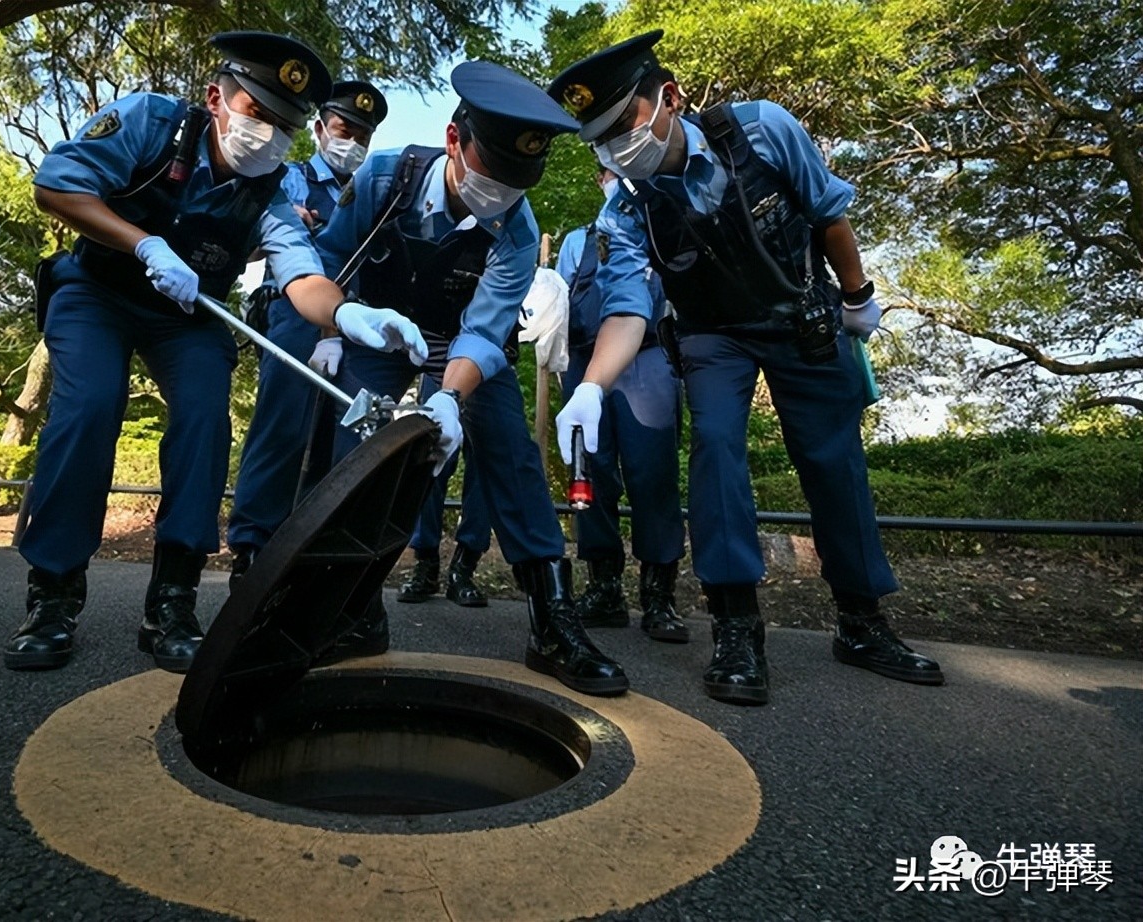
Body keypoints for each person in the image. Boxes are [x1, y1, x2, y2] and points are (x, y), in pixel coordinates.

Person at [5, 32, 428, 673]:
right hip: (97, 293)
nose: (270, 134)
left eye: (286, 125)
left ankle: (172, 599)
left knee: (205, 416)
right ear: (217, 98)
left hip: (186, 313)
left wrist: (346, 313)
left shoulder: (273, 190)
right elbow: (57, 188)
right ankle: (54, 595)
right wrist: (143, 243)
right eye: (258, 113)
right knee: (90, 405)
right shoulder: (152, 122)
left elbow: (301, 275)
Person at [548, 31, 943, 705]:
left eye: (624, 125)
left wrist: (857, 299)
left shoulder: (761, 130)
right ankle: (737, 628)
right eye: (601, 140)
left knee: (832, 459)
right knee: (718, 446)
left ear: (668, 98)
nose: (617, 147)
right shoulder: (627, 207)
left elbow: (828, 214)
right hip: (713, 335)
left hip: (800, 315)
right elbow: (626, 308)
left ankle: (861, 620)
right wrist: (590, 386)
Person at [316, 60, 629, 697]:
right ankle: (350, 606)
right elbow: (326, 262)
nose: (503, 194)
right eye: (494, 173)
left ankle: (551, 616)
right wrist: (332, 332)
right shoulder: (384, 178)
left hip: (461, 343)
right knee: (350, 446)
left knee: (511, 450)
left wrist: (450, 399)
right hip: (376, 329)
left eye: (519, 182)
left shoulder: (517, 227)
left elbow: (486, 332)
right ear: (455, 142)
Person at [226, 79, 389, 571]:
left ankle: (312, 552)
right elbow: (252, 242)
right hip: (295, 314)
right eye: (345, 129)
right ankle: (252, 548)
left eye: (364, 136)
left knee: (343, 439)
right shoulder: (290, 178)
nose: (353, 143)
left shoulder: (374, 191)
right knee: (283, 425)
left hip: (358, 323)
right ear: (319, 129)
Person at [556, 166, 687, 644]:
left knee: (653, 473)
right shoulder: (575, 241)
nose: (619, 181)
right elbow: (559, 302)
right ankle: (604, 587)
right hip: (585, 362)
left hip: (648, 359)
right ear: (598, 181)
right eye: (611, 173)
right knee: (588, 475)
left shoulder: (662, 229)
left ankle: (659, 596)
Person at [396, 374, 493, 608]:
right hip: (440, 364)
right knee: (431, 458)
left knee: (485, 467)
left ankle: (464, 568)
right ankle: (425, 563)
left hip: (490, 368)